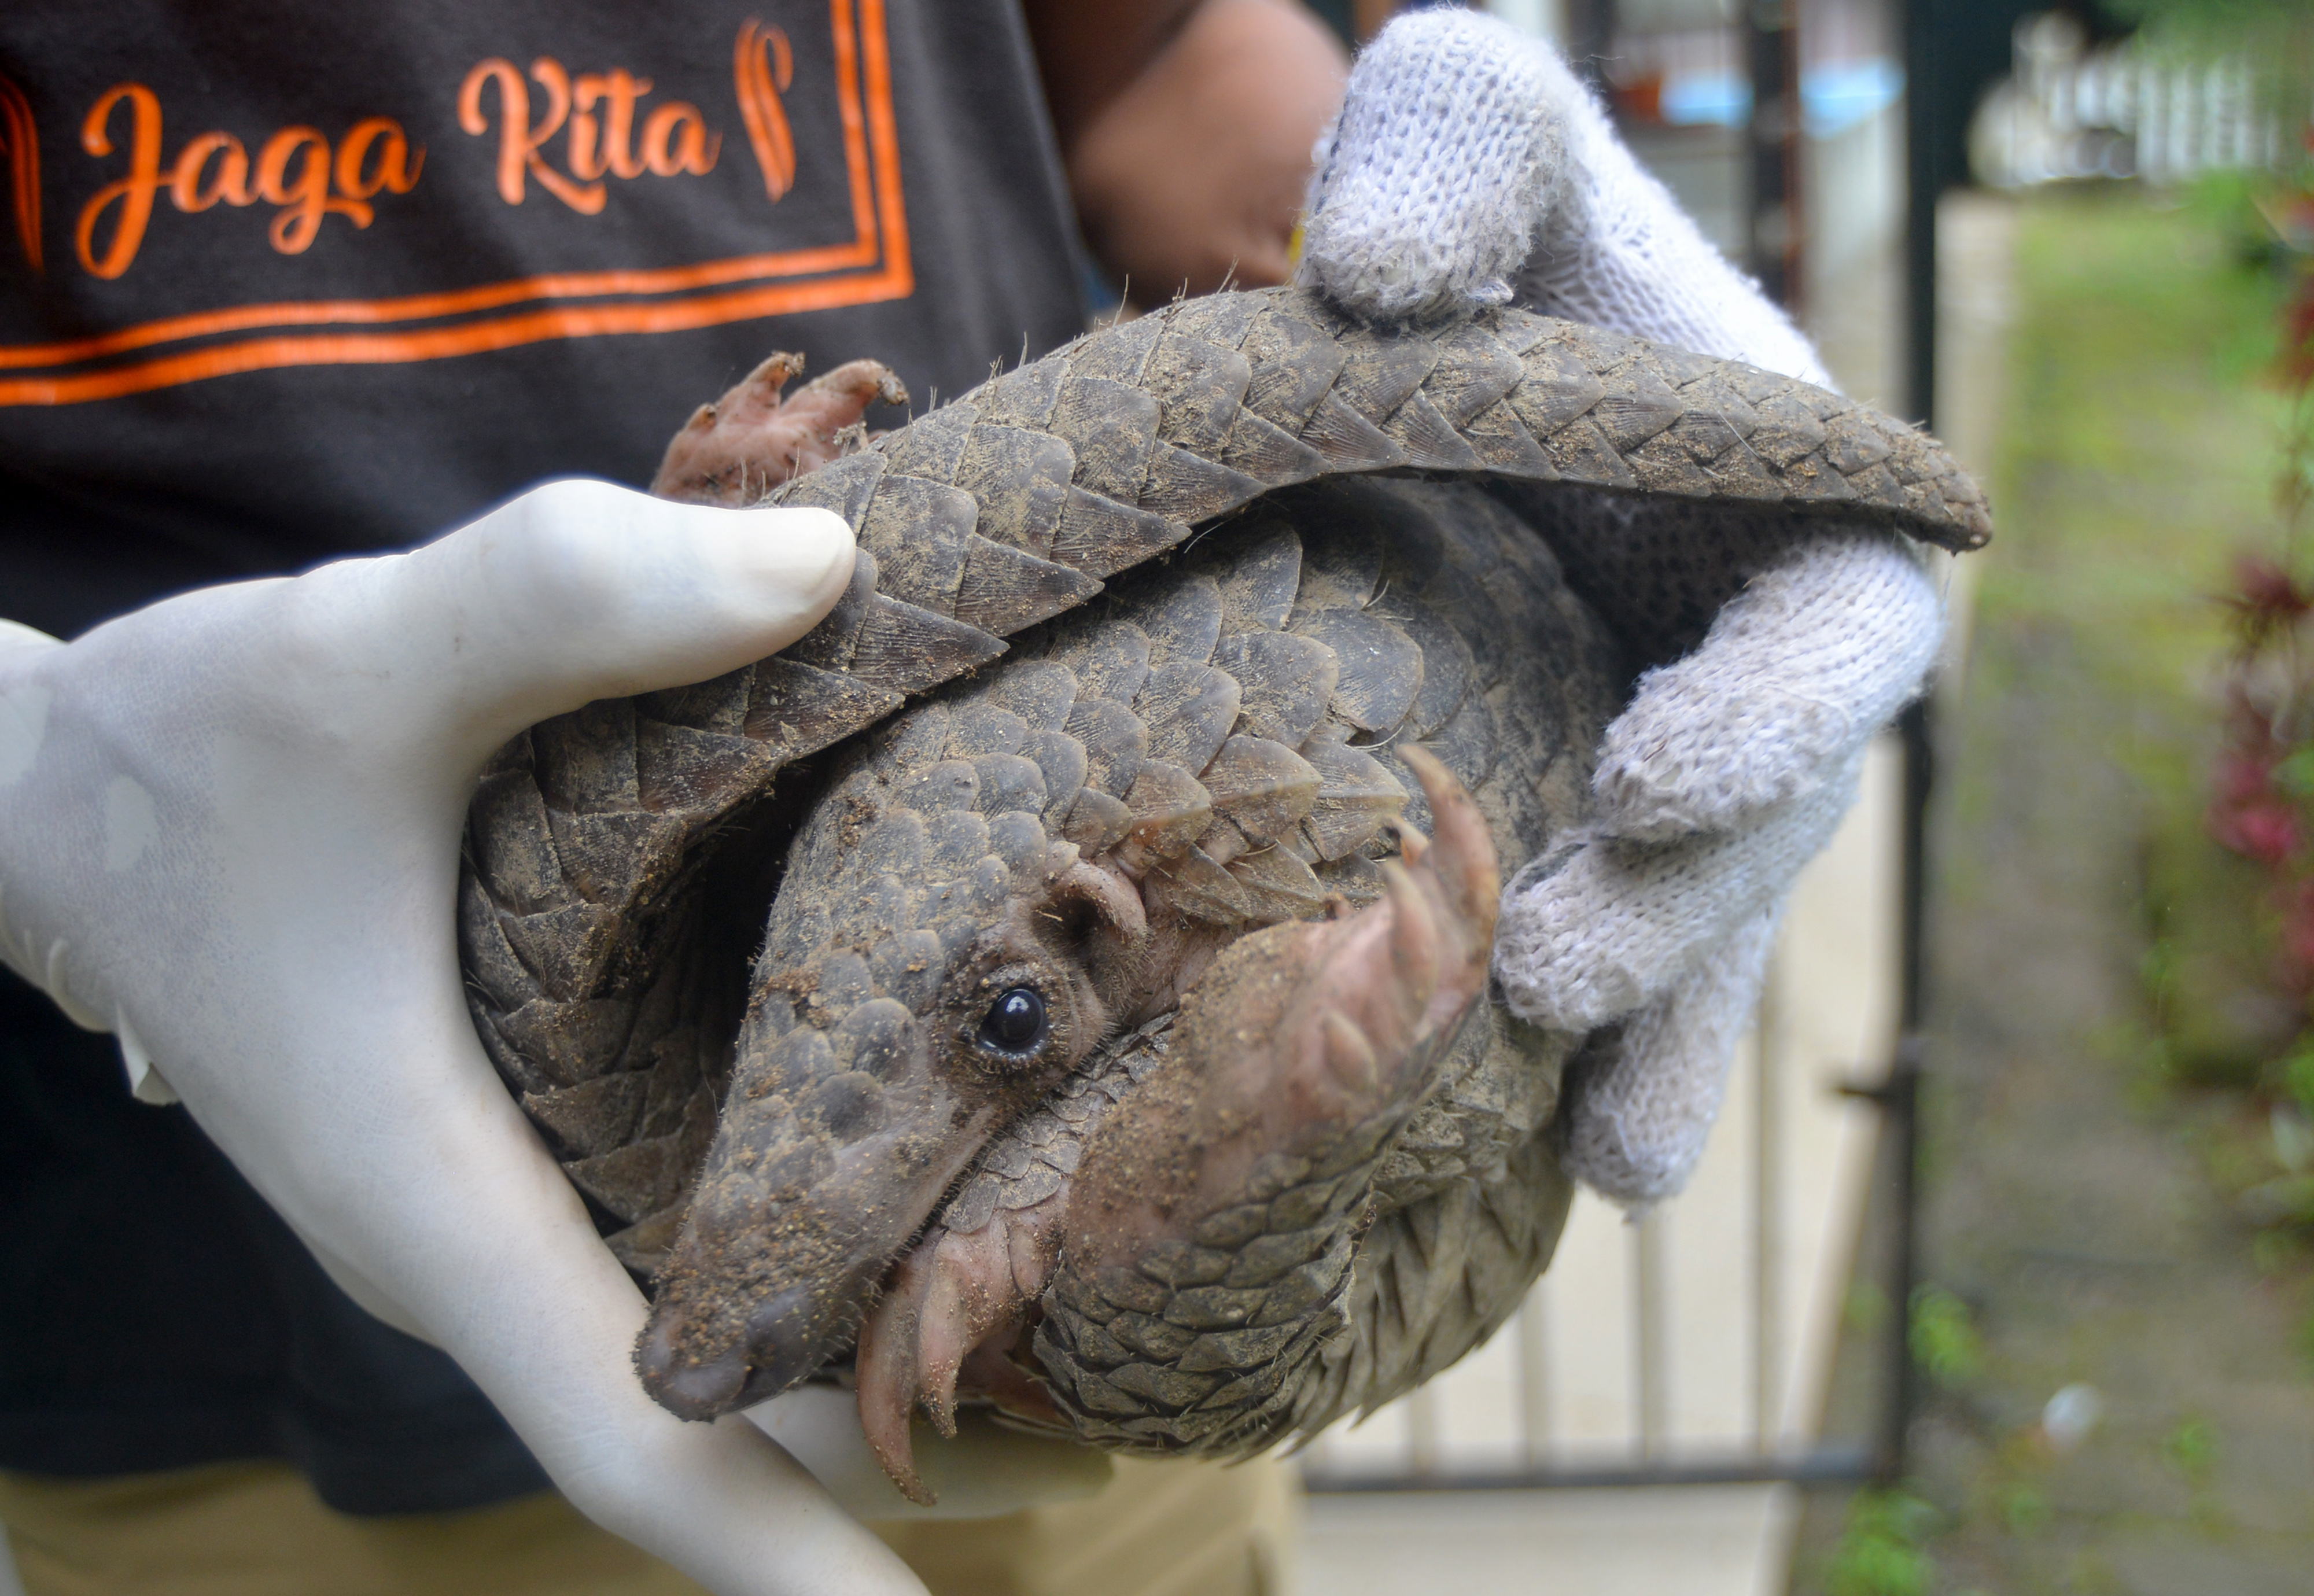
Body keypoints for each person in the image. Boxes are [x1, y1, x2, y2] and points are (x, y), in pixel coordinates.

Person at [0, 5, 1945, 1593]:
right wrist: (33, 761)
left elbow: (1159, 57)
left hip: (1069, 1491)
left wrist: (1473, 274)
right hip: (207, 1413)